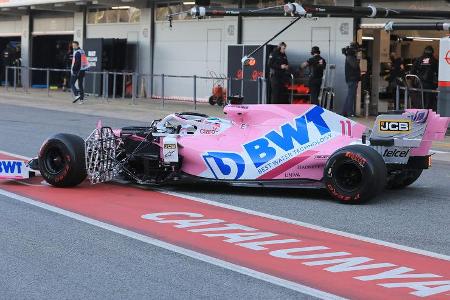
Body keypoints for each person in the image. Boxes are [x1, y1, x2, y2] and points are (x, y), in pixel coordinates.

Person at [411, 46, 439, 110]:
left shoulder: (418, 59)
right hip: (430, 85)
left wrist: (414, 82)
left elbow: (412, 72)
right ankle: (429, 115)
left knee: (420, 101)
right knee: (430, 102)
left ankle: (420, 115)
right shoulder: (435, 61)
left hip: (419, 84)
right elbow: (438, 73)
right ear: (432, 52)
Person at [343, 42, 361, 117]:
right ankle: (349, 112)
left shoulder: (349, 56)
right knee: (351, 96)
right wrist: (358, 59)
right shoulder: (351, 56)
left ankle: (345, 112)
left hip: (351, 78)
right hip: (352, 79)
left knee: (349, 96)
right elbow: (355, 65)